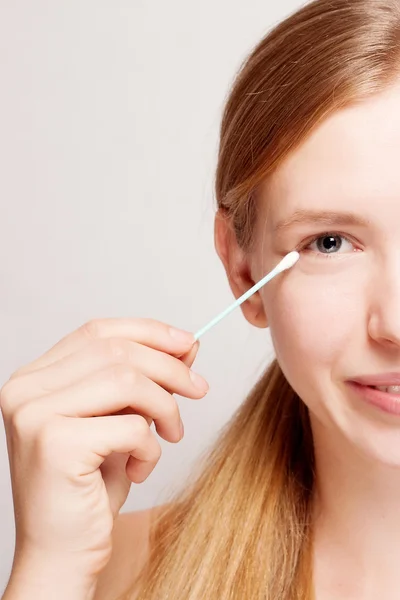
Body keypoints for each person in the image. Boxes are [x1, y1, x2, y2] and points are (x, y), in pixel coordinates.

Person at [3, 0, 400, 598]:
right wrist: (50, 571)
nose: (394, 323)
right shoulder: (106, 577)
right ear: (242, 269)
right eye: (329, 242)